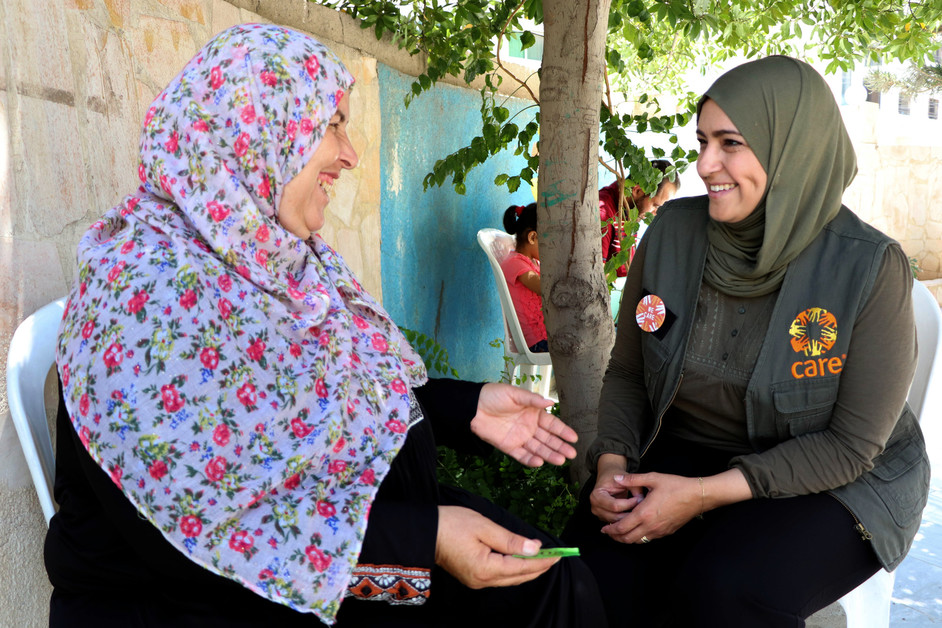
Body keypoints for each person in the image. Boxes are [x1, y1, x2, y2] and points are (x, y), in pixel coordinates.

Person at [46, 24, 607, 627]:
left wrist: (458, 407)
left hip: (322, 546)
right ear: (255, 129)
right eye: (330, 124)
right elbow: (197, 540)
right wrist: (423, 542)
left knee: (553, 584)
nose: (350, 153)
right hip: (205, 599)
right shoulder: (141, 299)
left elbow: (318, 401)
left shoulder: (266, 257)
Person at [565, 55, 930, 627]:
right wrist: (612, 465)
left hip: (835, 475)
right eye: (703, 140)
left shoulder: (868, 267)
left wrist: (702, 496)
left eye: (730, 143)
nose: (706, 164)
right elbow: (630, 374)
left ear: (792, 149)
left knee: (725, 593)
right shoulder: (671, 233)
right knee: (586, 580)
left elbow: (851, 446)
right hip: (687, 449)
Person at [599, 159, 680, 277]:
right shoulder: (603, 213)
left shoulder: (631, 213)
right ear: (637, 191)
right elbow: (596, 276)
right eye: (655, 206)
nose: (654, 214)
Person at [501, 203, 547, 353]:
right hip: (537, 341)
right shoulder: (515, 263)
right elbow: (543, 288)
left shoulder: (535, 262)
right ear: (533, 237)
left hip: (547, 336)